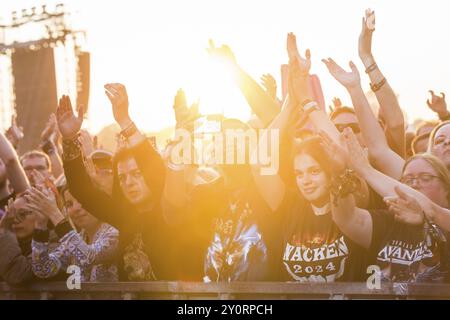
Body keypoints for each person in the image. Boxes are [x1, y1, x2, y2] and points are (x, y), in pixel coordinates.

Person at [56, 86, 176, 281]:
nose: (128, 182)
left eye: (136, 173)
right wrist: (69, 139)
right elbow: (81, 189)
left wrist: (124, 120)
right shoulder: (124, 216)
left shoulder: (172, 212)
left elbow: (153, 164)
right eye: (122, 177)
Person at [332, 128, 449, 282]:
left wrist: (366, 170)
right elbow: (346, 219)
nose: (415, 184)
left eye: (425, 178)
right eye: (408, 180)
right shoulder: (389, 221)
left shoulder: (445, 221)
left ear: (446, 187)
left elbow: (432, 211)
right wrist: (340, 173)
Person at [27, 186, 119, 282]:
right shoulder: (78, 238)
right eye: (69, 204)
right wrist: (40, 224)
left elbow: (88, 258)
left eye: (82, 201)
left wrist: (54, 213)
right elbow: (44, 269)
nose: (76, 208)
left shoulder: (114, 233)